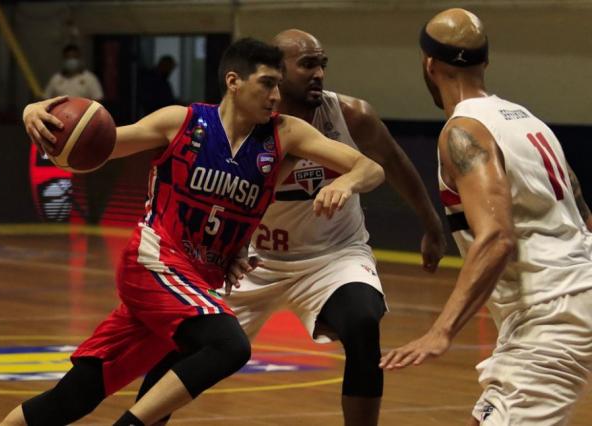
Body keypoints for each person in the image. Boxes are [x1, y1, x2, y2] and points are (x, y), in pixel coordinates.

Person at [0, 37, 384, 426]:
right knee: (229, 345)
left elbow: (370, 168)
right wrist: (35, 112)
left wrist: (345, 182)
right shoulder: (180, 122)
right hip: (154, 263)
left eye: (279, 86)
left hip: (195, 281)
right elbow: (101, 147)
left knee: (74, 396)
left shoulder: (285, 133)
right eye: (267, 84)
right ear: (234, 81)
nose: (275, 96)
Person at [137, 29, 446, 426]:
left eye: (322, 64)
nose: (319, 73)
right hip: (251, 262)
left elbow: (395, 164)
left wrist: (431, 225)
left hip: (331, 257)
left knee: (362, 322)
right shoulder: (241, 123)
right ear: (276, 72)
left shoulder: (351, 116)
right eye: (307, 65)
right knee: (183, 348)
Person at [380, 9, 592, 425]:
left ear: (428, 64)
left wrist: (441, 330)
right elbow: (583, 216)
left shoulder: (464, 131)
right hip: (567, 297)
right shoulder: (528, 120)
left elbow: (497, 237)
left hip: (551, 313)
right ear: (486, 62)